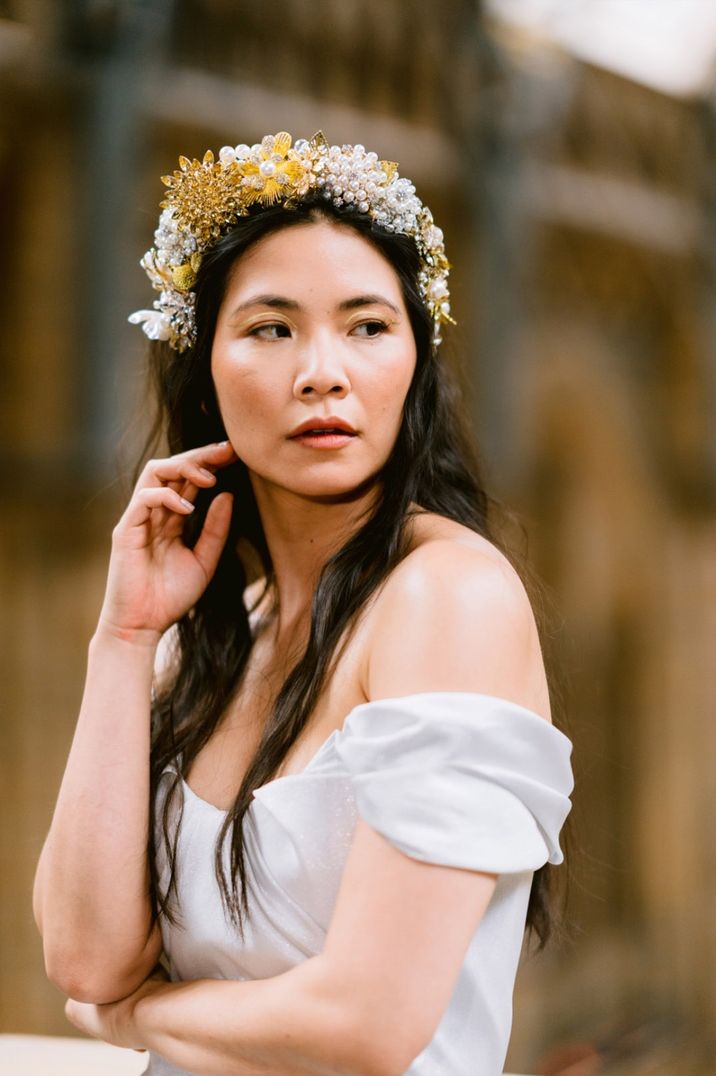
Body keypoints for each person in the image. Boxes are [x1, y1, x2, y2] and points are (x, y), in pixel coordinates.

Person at [32, 131, 574, 1075]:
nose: (323, 370)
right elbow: (82, 956)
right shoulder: (220, 632)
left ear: (414, 360)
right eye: (271, 328)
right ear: (204, 362)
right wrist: (123, 638)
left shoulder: (448, 599)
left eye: (367, 325)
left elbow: (367, 1024)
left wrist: (136, 1021)